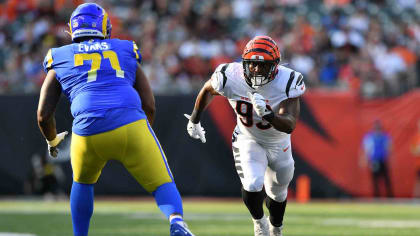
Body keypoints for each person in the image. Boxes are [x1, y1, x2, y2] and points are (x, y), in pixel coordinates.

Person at [36, 3, 195, 236]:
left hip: (87, 131)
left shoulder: (59, 56)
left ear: (72, 29)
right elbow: (149, 103)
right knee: (162, 182)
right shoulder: (125, 48)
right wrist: (140, 131)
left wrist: (51, 141)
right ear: (105, 27)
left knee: (82, 182)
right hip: (131, 123)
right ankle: (176, 222)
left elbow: (43, 115)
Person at [185, 35, 306, 236]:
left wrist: (268, 114)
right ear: (244, 63)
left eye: (263, 65)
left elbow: (290, 125)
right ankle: (259, 224)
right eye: (252, 65)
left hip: (279, 141)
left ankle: (276, 228)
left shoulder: (288, 80)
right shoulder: (229, 74)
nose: (257, 70)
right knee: (252, 183)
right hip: (248, 137)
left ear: (275, 66)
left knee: (278, 193)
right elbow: (208, 89)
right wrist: (194, 119)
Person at [360, 120, 393, 198]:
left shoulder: (385, 137)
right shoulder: (370, 137)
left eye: (379, 127)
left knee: (386, 179)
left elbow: (389, 148)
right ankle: (376, 196)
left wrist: (390, 158)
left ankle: (389, 196)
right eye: (376, 127)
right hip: (374, 160)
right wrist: (364, 159)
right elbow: (366, 149)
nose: (377, 129)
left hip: (383, 160)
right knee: (375, 179)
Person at [410, 119, 420, 197]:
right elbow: (413, 150)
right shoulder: (416, 137)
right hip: (418, 164)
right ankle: (416, 198)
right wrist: (417, 150)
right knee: (418, 181)